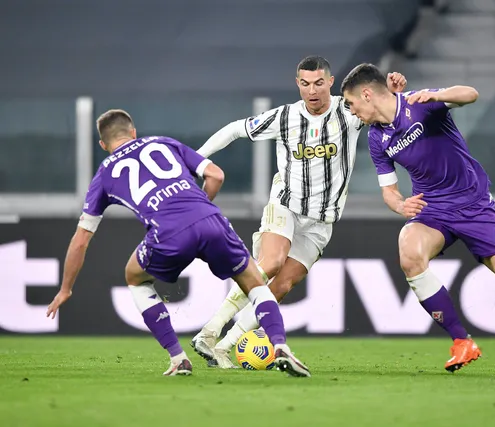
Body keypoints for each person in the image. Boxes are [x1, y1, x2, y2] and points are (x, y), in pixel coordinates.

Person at [340, 63, 495, 375]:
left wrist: (437, 95)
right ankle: (462, 341)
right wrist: (401, 206)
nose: (352, 111)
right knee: (409, 253)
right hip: (433, 209)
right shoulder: (377, 139)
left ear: (367, 94)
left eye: (352, 103)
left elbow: (470, 94)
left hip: (475, 206)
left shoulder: (419, 104)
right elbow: (389, 192)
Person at [45, 109, 310, 377]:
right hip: (210, 219)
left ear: (103, 145)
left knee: (135, 277)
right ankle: (279, 345)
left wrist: (66, 288)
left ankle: (178, 358)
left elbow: (81, 240)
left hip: (167, 233)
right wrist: (202, 210)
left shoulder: (104, 173)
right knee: (254, 282)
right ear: (133, 132)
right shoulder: (163, 142)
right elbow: (216, 175)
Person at [190, 56, 407, 368]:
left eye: (319, 83)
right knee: (270, 263)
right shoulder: (285, 117)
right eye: (305, 84)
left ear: (331, 82)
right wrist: (196, 160)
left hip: (322, 220)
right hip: (286, 205)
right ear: (298, 85)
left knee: (280, 287)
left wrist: (395, 92)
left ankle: (224, 346)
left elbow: (383, 109)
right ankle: (208, 333)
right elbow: (236, 130)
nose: (312, 90)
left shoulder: (349, 110)